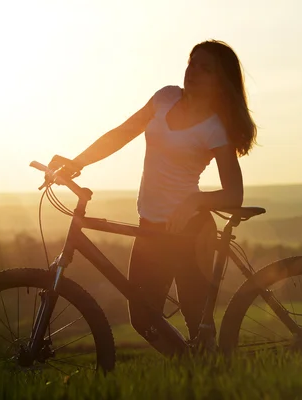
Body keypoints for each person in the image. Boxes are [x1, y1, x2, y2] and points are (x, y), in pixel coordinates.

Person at [49, 39, 257, 354]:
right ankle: (193, 369)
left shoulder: (214, 128)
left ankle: (212, 378)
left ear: (220, 80)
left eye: (205, 68)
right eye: (191, 62)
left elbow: (234, 194)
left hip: (189, 232)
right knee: (143, 320)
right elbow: (121, 133)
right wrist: (77, 162)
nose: (193, 71)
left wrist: (195, 201)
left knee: (196, 322)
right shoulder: (165, 97)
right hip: (150, 226)